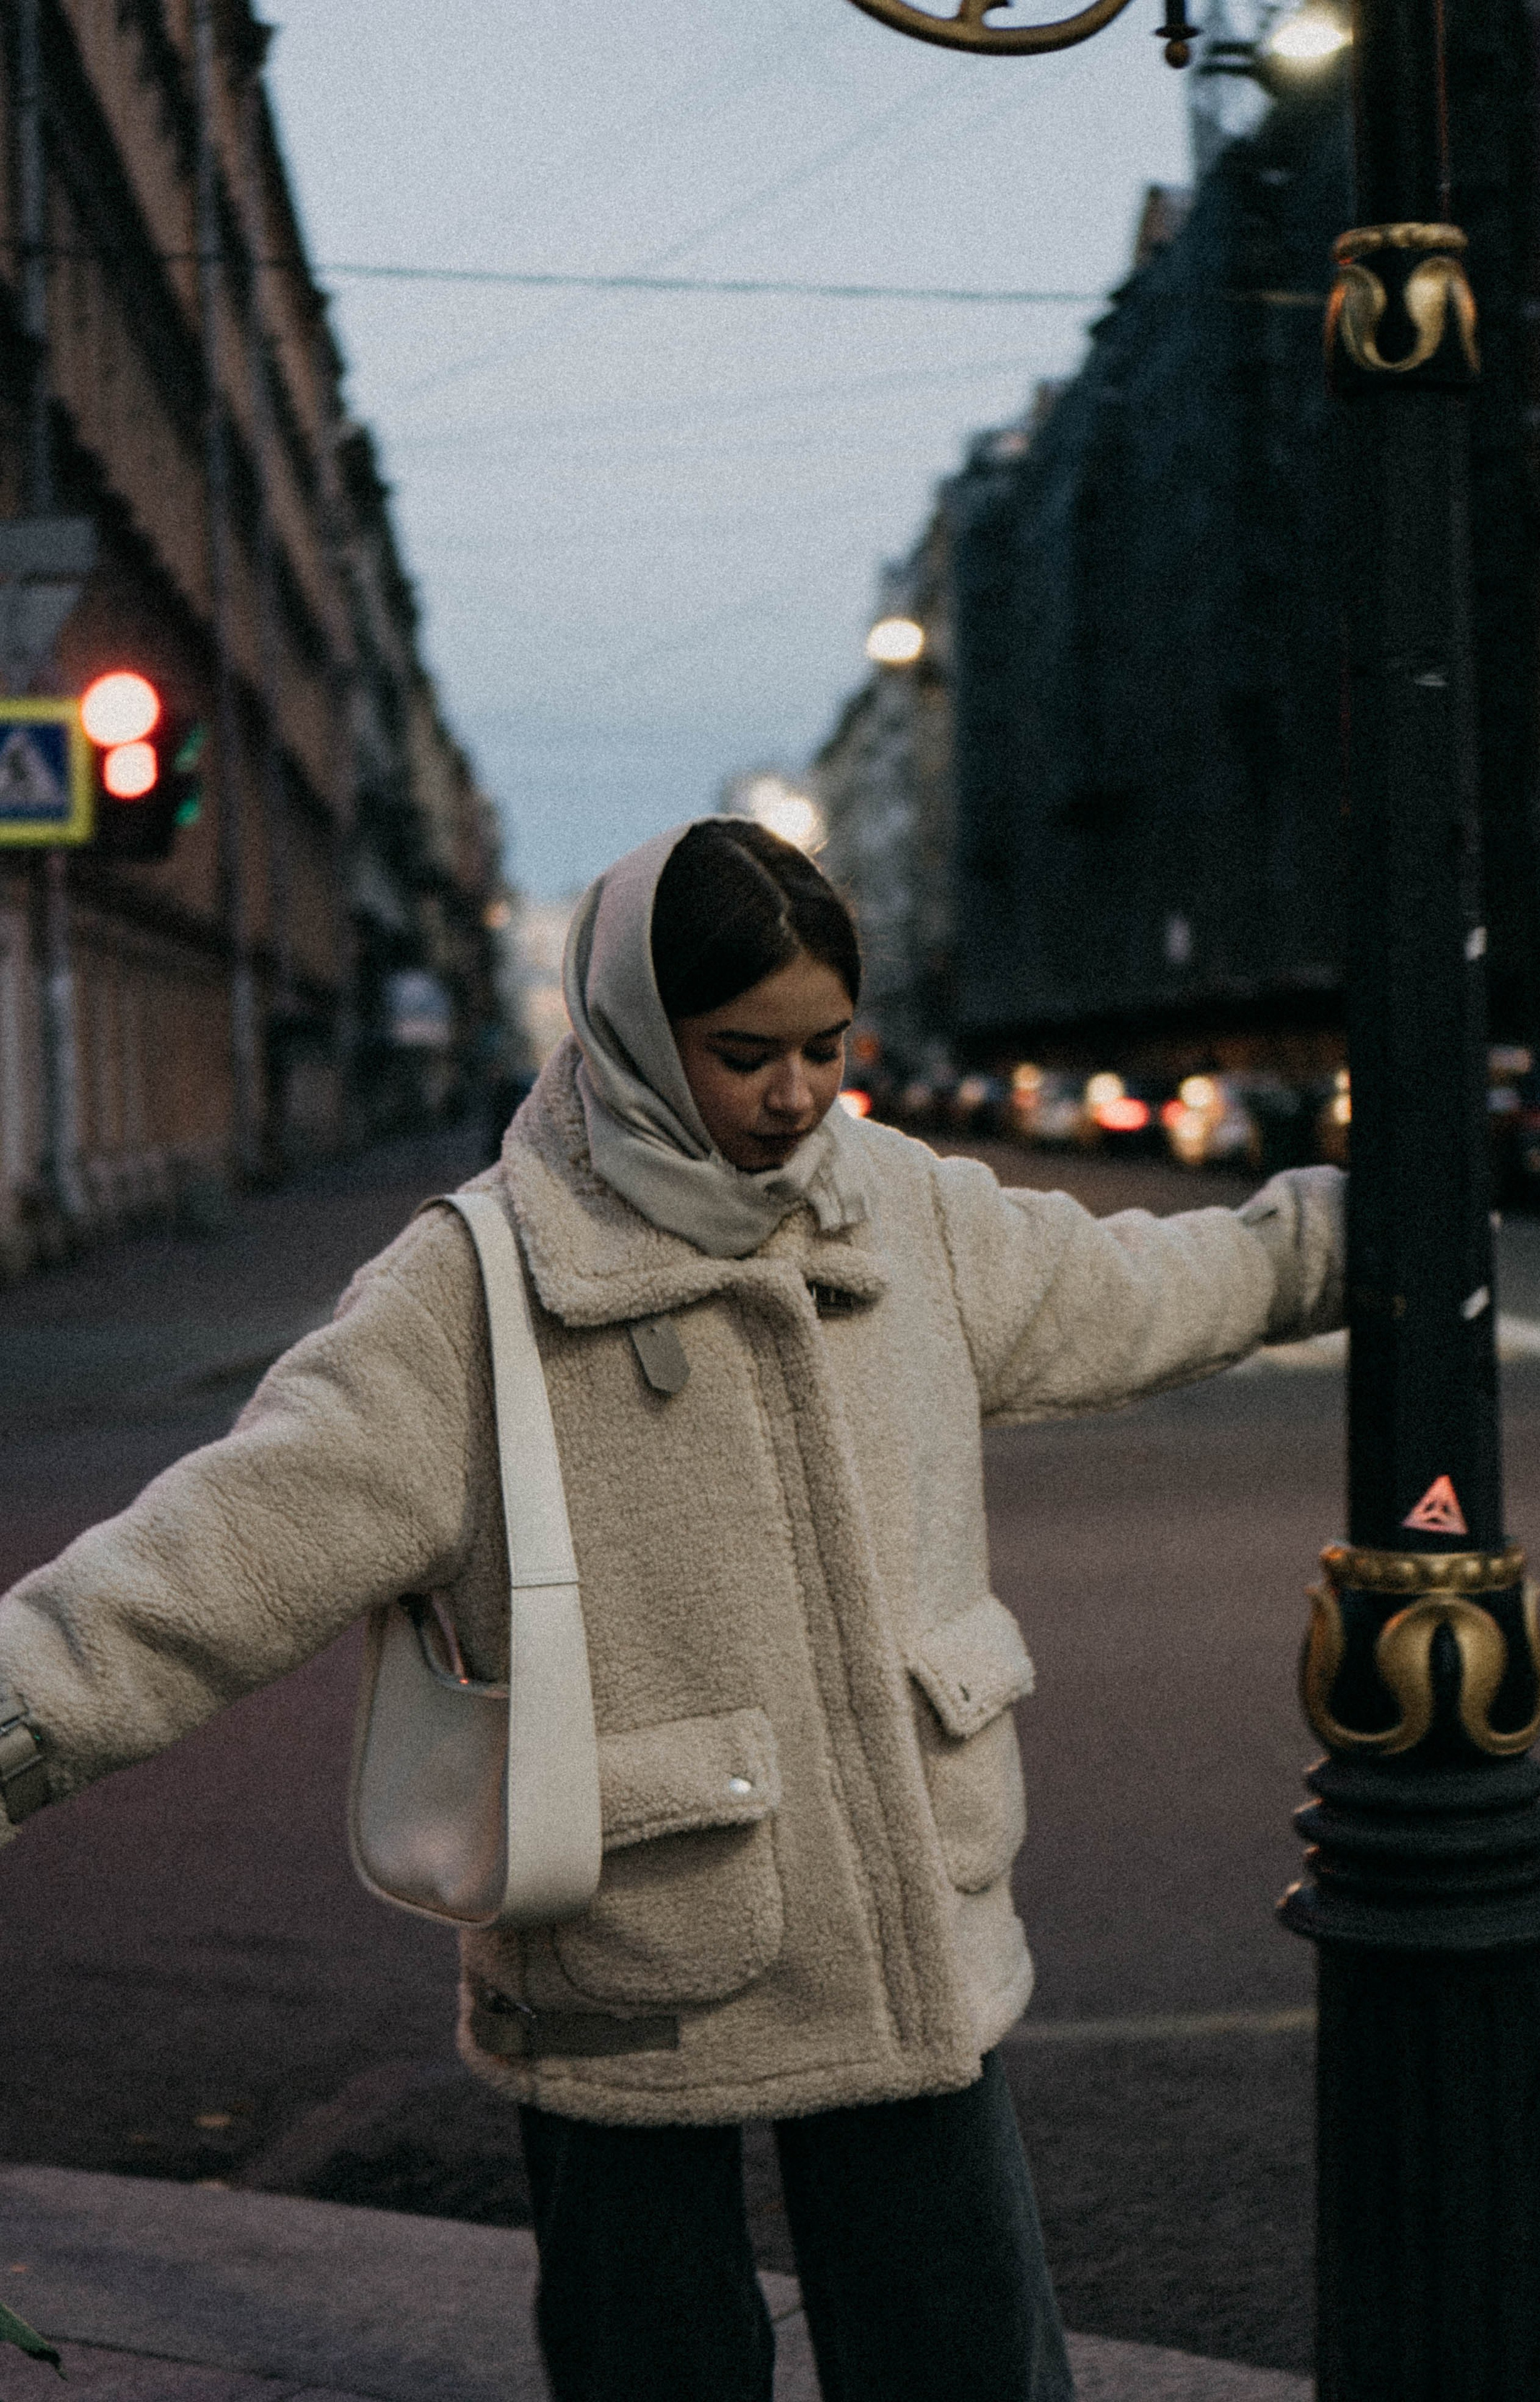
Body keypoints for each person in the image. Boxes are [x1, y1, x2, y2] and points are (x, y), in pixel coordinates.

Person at [0, 818, 1344, 2402]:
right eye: (742, 1054)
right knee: (654, 2366)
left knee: (965, 2358)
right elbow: (215, 1557)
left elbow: (1131, 1292)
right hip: (623, 1938)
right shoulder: (475, 1283)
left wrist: (1327, 1241)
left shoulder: (898, 1207)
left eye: (825, 1047)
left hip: (904, 1924)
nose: (795, 1096)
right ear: (633, 1031)